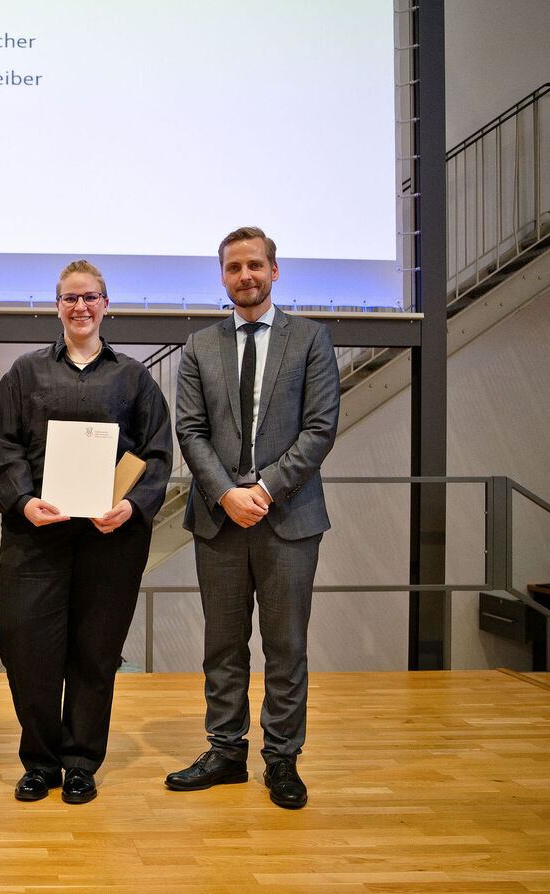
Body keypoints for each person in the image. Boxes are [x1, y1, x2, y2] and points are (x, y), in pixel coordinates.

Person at [0, 259, 173, 804]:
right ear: (57, 306)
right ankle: (39, 762)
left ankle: (82, 760)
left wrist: (132, 507)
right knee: (27, 649)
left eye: (90, 297)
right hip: (36, 536)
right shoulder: (25, 373)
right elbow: (3, 446)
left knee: (95, 653)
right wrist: (23, 501)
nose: (81, 307)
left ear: (105, 304)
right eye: (70, 299)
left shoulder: (134, 377)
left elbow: (156, 452)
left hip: (109, 538)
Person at [166, 226, 339, 809]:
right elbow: (188, 429)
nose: (246, 275)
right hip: (219, 520)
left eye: (256, 265)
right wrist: (226, 494)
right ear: (223, 276)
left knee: (286, 645)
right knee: (222, 644)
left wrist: (262, 489)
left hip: (288, 517)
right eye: (235, 267)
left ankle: (283, 759)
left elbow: (320, 429)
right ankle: (226, 751)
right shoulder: (199, 346)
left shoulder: (312, 339)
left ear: (274, 270)